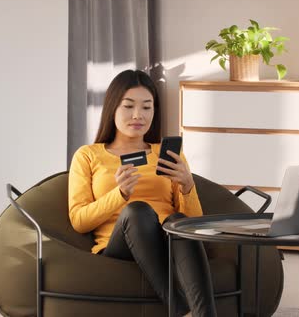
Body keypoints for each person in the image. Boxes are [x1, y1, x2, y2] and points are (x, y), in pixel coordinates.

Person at [68, 69, 217, 317]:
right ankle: (181, 311)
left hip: (168, 240)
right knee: (137, 211)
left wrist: (187, 186)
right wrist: (120, 195)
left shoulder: (168, 154)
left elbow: (193, 225)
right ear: (112, 108)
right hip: (120, 244)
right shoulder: (88, 155)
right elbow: (79, 221)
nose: (138, 115)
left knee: (178, 222)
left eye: (147, 107)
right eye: (129, 106)